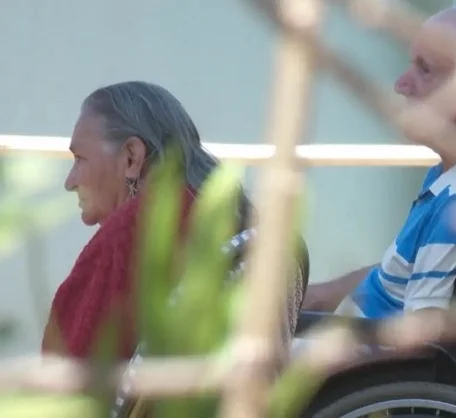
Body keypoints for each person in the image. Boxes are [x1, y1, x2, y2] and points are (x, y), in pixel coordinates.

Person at [302, 7, 456, 318]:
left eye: (424, 70)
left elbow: (422, 339)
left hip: (359, 346)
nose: (401, 85)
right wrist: (315, 296)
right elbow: (402, 276)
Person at [41, 81, 306, 360]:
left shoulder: (136, 229)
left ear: (131, 157)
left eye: (79, 159)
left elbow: (70, 371)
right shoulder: (225, 221)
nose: (70, 182)